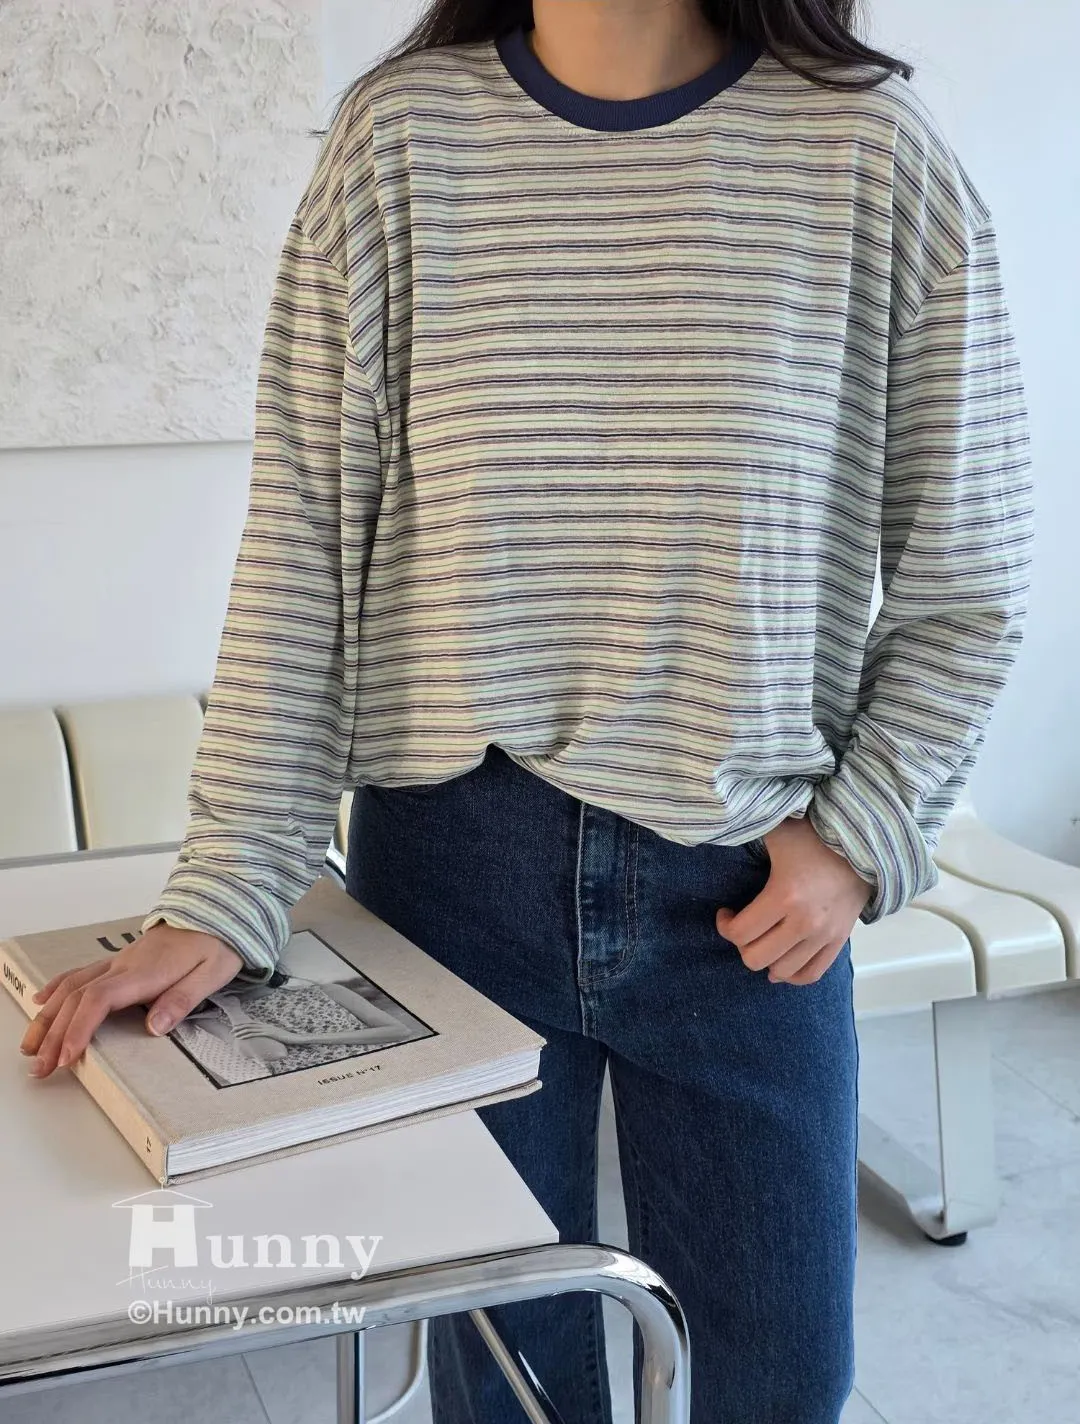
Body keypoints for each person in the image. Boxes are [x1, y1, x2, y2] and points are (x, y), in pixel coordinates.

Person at [20, 1, 1034, 1419]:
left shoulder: (870, 153)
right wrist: (232, 883)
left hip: (747, 900)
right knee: (505, 1386)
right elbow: (306, 549)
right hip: (449, 879)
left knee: (778, 1382)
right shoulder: (398, 143)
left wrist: (862, 838)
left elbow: (970, 567)